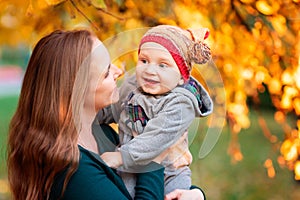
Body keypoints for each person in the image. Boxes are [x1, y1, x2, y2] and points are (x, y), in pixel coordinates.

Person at [7, 29, 205, 200]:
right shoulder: (73, 170)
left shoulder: (102, 134)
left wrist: (195, 194)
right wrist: (152, 157)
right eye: (107, 72)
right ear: (78, 91)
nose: (119, 71)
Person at [98, 25, 213, 197]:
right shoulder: (132, 87)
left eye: (163, 65)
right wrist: (93, 115)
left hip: (169, 174)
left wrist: (121, 158)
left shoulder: (181, 103)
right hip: (129, 167)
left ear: (182, 76)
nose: (150, 70)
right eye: (144, 61)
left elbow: (157, 137)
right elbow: (112, 109)